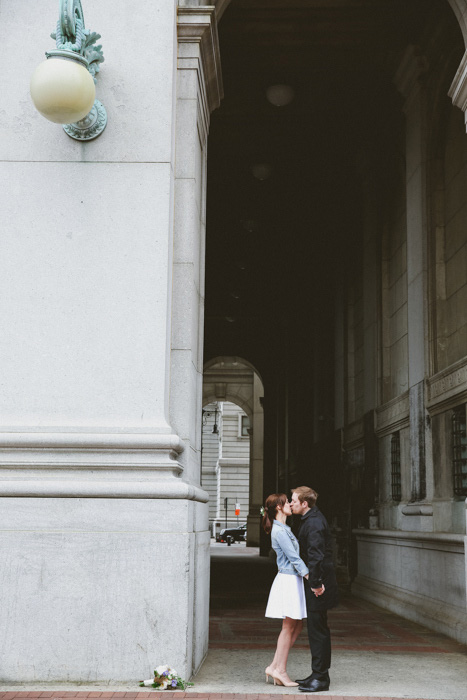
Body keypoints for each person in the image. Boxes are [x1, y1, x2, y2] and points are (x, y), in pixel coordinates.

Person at [290, 486, 338, 693]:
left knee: (318, 631)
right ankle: (317, 673)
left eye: (293, 500)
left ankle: (320, 678)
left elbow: (316, 556)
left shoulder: (315, 523)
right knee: (317, 629)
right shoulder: (311, 519)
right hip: (319, 582)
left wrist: (316, 584)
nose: (290, 503)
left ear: (304, 503)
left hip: (320, 584)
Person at [262, 493, 309, 688]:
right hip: (289, 579)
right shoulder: (279, 531)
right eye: (286, 502)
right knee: (288, 626)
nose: (290, 504)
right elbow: (293, 558)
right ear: (279, 508)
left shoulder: (284, 528)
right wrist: (309, 576)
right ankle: (279, 669)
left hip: (292, 579)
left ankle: (275, 665)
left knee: (296, 625)